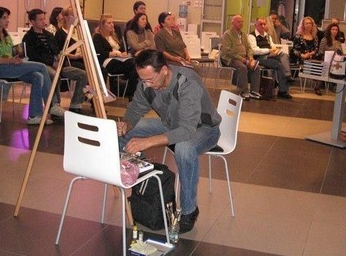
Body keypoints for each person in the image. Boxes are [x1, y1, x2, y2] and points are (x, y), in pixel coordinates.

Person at [117, 50, 221, 233]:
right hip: (171, 124)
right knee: (122, 133)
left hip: (203, 128)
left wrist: (148, 142)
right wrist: (126, 123)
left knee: (184, 148)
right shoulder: (146, 83)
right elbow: (135, 110)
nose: (146, 85)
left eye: (150, 80)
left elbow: (187, 130)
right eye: (142, 80)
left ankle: (189, 210)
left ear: (164, 70)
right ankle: (145, 177)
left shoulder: (187, 82)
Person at [0, 6, 57, 125]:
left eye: (7, 17)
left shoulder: (6, 34)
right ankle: (52, 105)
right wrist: (9, 60)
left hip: (12, 66)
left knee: (38, 76)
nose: (7, 20)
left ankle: (34, 116)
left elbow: (11, 52)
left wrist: (18, 55)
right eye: (4, 18)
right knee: (42, 67)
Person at [23, 8, 88, 113]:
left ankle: (76, 103)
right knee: (54, 75)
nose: (44, 22)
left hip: (57, 64)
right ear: (33, 22)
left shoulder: (48, 35)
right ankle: (55, 105)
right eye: (40, 20)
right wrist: (52, 62)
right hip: (42, 65)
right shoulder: (28, 38)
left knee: (82, 74)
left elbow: (56, 49)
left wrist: (58, 57)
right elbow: (34, 56)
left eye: (44, 19)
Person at [92, 13, 138, 97]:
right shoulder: (97, 36)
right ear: (102, 25)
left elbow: (122, 49)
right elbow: (100, 52)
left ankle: (130, 93)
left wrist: (123, 53)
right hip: (107, 61)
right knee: (133, 66)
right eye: (109, 23)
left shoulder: (114, 36)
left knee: (135, 65)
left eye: (112, 22)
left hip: (120, 59)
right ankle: (130, 94)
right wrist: (115, 54)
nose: (112, 25)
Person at [248, 18, 292, 99]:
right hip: (259, 58)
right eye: (260, 24)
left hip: (270, 56)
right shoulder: (251, 36)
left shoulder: (268, 36)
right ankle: (283, 89)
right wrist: (269, 51)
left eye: (264, 24)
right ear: (255, 25)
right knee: (279, 64)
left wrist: (275, 51)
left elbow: (273, 46)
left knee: (284, 55)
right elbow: (254, 50)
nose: (263, 26)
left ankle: (287, 76)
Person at [220, 15, 261, 100]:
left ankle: (254, 91)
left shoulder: (244, 35)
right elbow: (227, 51)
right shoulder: (227, 34)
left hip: (244, 58)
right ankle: (244, 91)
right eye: (239, 22)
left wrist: (250, 58)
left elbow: (249, 48)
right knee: (242, 67)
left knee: (256, 67)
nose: (241, 23)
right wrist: (241, 58)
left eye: (242, 22)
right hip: (231, 58)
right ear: (232, 23)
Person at [315, 22, 343, 96]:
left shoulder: (338, 42)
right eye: (333, 29)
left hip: (335, 61)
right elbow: (320, 52)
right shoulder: (324, 40)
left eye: (336, 30)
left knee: (342, 66)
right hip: (325, 59)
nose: (334, 31)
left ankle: (338, 84)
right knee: (325, 66)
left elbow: (341, 53)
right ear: (329, 30)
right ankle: (318, 86)